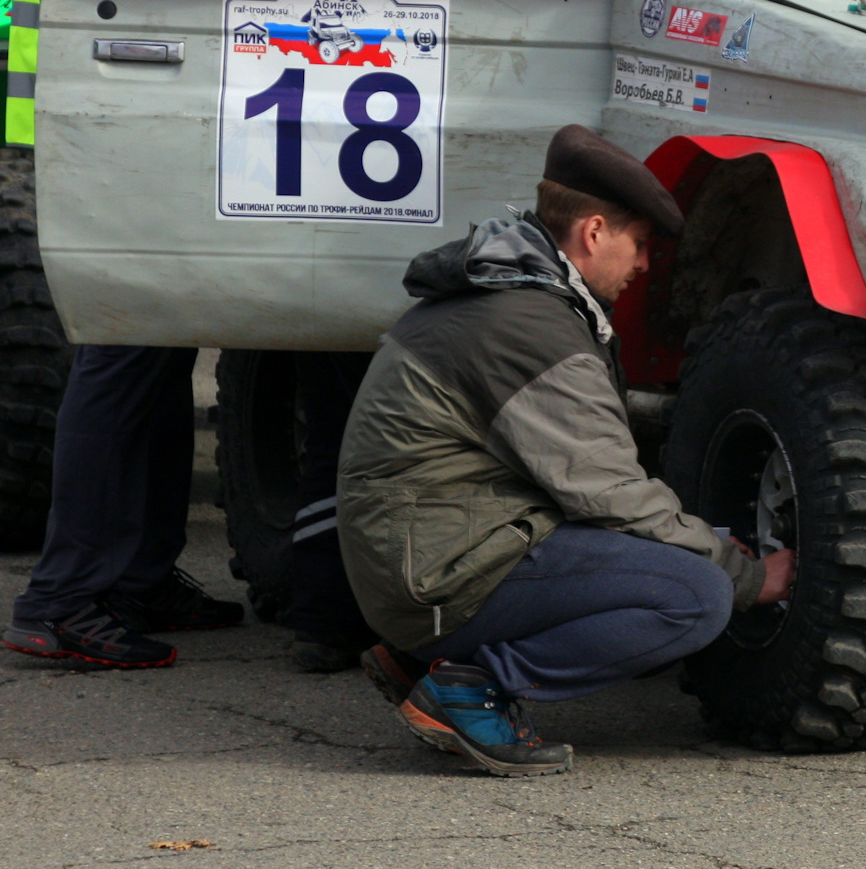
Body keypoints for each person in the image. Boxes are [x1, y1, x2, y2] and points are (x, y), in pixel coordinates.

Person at [337, 126, 794, 777]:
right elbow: (610, 492)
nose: (642, 267)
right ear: (595, 232)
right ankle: (469, 687)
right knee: (696, 596)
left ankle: (419, 660)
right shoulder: (528, 326)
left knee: (667, 551)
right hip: (437, 578)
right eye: (639, 245)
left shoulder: (507, 293)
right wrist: (748, 575)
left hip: (422, 558)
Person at [0, 0, 289, 672]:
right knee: (123, 351)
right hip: (120, 130)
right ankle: (68, 594)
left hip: (117, 126)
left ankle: (132, 574)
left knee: (154, 351)